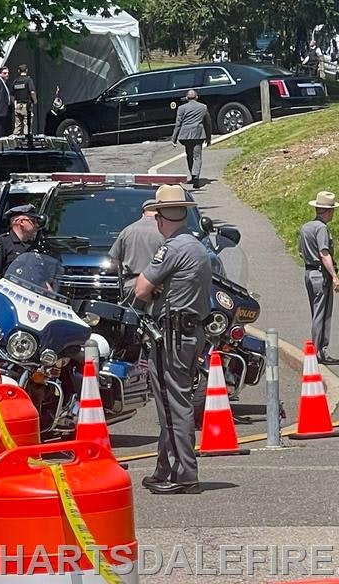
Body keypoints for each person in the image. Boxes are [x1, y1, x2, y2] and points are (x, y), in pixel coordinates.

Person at [134, 184, 212, 495]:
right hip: (189, 332)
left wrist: (155, 288)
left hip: (173, 335)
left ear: (162, 217)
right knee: (173, 401)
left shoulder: (172, 248)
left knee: (171, 404)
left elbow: (141, 288)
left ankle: (183, 473)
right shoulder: (196, 246)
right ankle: (164, 467)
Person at [298, 190, 339, 365]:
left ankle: (317, 350)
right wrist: (334, 276)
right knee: (322, 314)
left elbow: (301, 252)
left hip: (309, 273)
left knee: (316, 311)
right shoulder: (322, 228)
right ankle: (319, 351)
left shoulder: (306, 227)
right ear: (328, 211)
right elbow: (324, 254)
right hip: (320, 273)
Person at [109, 199, 163, 305]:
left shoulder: (127, 231)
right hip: (158, 286)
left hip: (132, 285)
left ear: (143, 213)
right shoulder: (165, 231)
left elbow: (114, 263)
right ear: (160, 212)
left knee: (132, 319)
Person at [0, 205, 44, 280]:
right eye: (33, 221)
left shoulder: (34, 247)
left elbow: (41, 279)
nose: (36, 225)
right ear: (20, 222)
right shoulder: (1, 242)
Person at [171, 89, 212, 189]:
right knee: (197, 156)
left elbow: (178, 124)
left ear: (186, 98)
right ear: (196, 97)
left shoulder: (181, 108)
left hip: (185, 135)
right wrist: (208, 137)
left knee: (189, 155)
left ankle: (193, 176)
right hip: (198, 134)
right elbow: (208, 123)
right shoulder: (203, 107)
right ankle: (196, 177)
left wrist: (174, 138)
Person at [12, 64, 37, 136]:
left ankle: (15, 144)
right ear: (27, 70)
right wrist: (35, 100)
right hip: (27, 106)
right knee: (27, 126)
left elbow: (12, 95)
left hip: (17, 105)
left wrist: (15, 105)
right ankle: (26, 143)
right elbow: (32, 92)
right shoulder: (28, 80)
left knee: (17, 127)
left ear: (18, 71)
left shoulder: (15, 81)